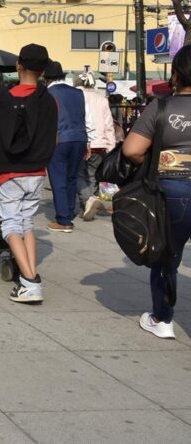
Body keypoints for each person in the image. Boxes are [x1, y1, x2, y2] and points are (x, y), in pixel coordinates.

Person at [123, 45, 191, 339]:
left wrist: (154, 164)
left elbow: (132, 150)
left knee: (167, 254)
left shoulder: (160, 108)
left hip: (171, 188)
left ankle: (162, 318)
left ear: (175, 74)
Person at [0, 44, 58, 303]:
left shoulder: (7, 98)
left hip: (10, 172)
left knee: (11, 224)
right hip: (37, 170)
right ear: (42, 69)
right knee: (27, 223)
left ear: (19, 64)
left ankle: (30, 280)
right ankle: (30, 274)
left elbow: (0, 136)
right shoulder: (47, 99)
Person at [44, 61, 91, 233]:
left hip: (59, 139)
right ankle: (69, 212)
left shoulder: (47, 93)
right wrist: (89, 142)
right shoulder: (78, 93)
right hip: (80, 138)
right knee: (71, 177)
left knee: (58, 180)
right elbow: (87, 117)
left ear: (46, 78)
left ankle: (63, 220)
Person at [76, 71, 116, 221]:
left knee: (79, 174)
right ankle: (88, 203)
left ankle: (88, 200)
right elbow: (108, 124)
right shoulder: (102, 99)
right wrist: (111, 145)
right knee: (92, 175)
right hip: (100, 144)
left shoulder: (76, 97)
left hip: (82, 141)